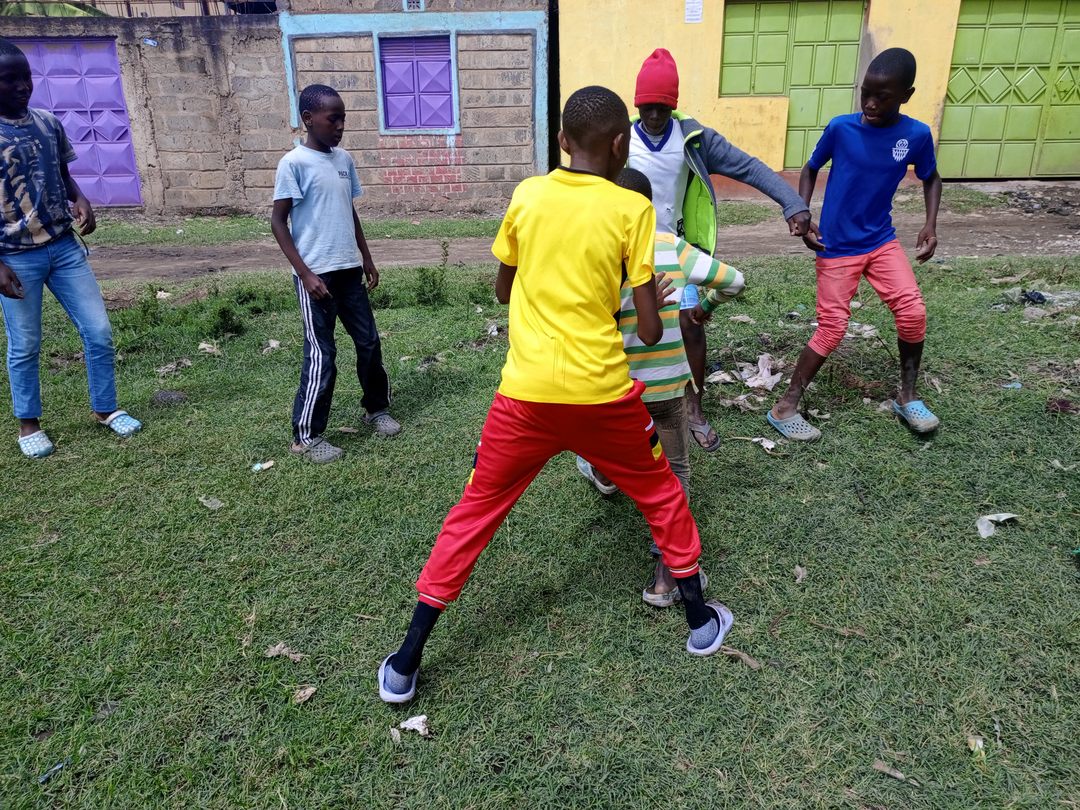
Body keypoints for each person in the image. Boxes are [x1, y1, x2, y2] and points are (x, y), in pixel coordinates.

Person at [378, 86, 734, 704]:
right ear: (621, 146)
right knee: (661, 493)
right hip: (604, 397)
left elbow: (502, 290)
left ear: (563, 141)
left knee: (474, 513)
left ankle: (406, 661)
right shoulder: (632, 210)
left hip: (525, 397)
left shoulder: (528, 195)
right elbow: (651, 332)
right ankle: (701, 622)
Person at [628, 48, 817, 452]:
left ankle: (693, 409)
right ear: (636, 103)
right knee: (628, 326)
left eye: (663, 107)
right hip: (626, 251)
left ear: (674, 104)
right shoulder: (619, 138)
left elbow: (748, 167)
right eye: (647, 107)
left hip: (676, 250)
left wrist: (792, 203)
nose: (655, 116)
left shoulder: (694, 139)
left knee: (689, 326)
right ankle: (630, 408)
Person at [575, 167, 745, 607]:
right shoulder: (671, 247)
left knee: (610, 447)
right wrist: (704, 307)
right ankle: (667, 575)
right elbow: (735, 281)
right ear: (649, 210)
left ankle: (603, 472)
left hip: (615, 388)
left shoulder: (594, 255)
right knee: (675, 472)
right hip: (667, 387)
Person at [767, 48, 942, 441]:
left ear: (906, 96)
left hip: (881, 240)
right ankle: (785, 406)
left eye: (882, 96)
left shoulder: (915, 135)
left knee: (913, 312)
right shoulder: (841, 128)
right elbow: (811, 167)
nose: (870, 103)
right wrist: (801, 211)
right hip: (836, 246)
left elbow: (931, 177)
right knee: (832, 328)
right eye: (865, 93)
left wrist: (930, 224)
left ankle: (908, 396)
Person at [0, 38, 141, 459]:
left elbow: (61, 173)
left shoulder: (47, 123)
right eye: (9, 80)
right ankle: (29, 423)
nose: (22, 86)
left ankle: (106, 408)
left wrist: (80, 198)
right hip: (15, 256)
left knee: (98, 330)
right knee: (25, 342)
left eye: (25, 77)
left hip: (63, 247)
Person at [270, 84, 401, 463]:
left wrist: (366, 257)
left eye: (343, 118)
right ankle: (306, 436)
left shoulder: (344, 160)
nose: (340, 126)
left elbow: (348, 210)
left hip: (348, 271)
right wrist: (305, 275)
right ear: (308, 119)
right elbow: (278, 222)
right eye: (333, 119)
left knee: (369, 343)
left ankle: (376, 409)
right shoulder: (293, 164)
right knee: (322, 354)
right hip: (317, 278)